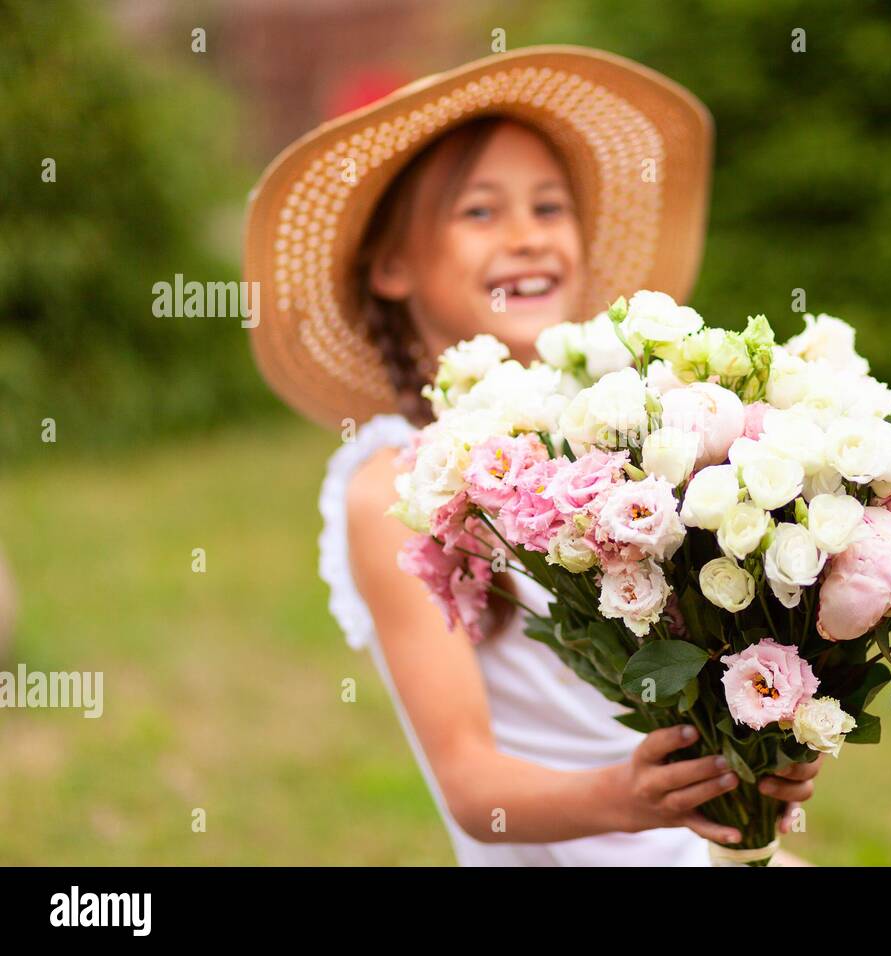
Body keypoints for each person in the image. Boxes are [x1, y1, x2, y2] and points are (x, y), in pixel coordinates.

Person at [244, 46, 821, 865]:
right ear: (392, 266)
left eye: (549, 208)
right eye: (479, 212)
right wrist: (627, 798)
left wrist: (769, 735)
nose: (526, 237)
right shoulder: (395, 491)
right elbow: (474, 788)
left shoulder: (617, 439)